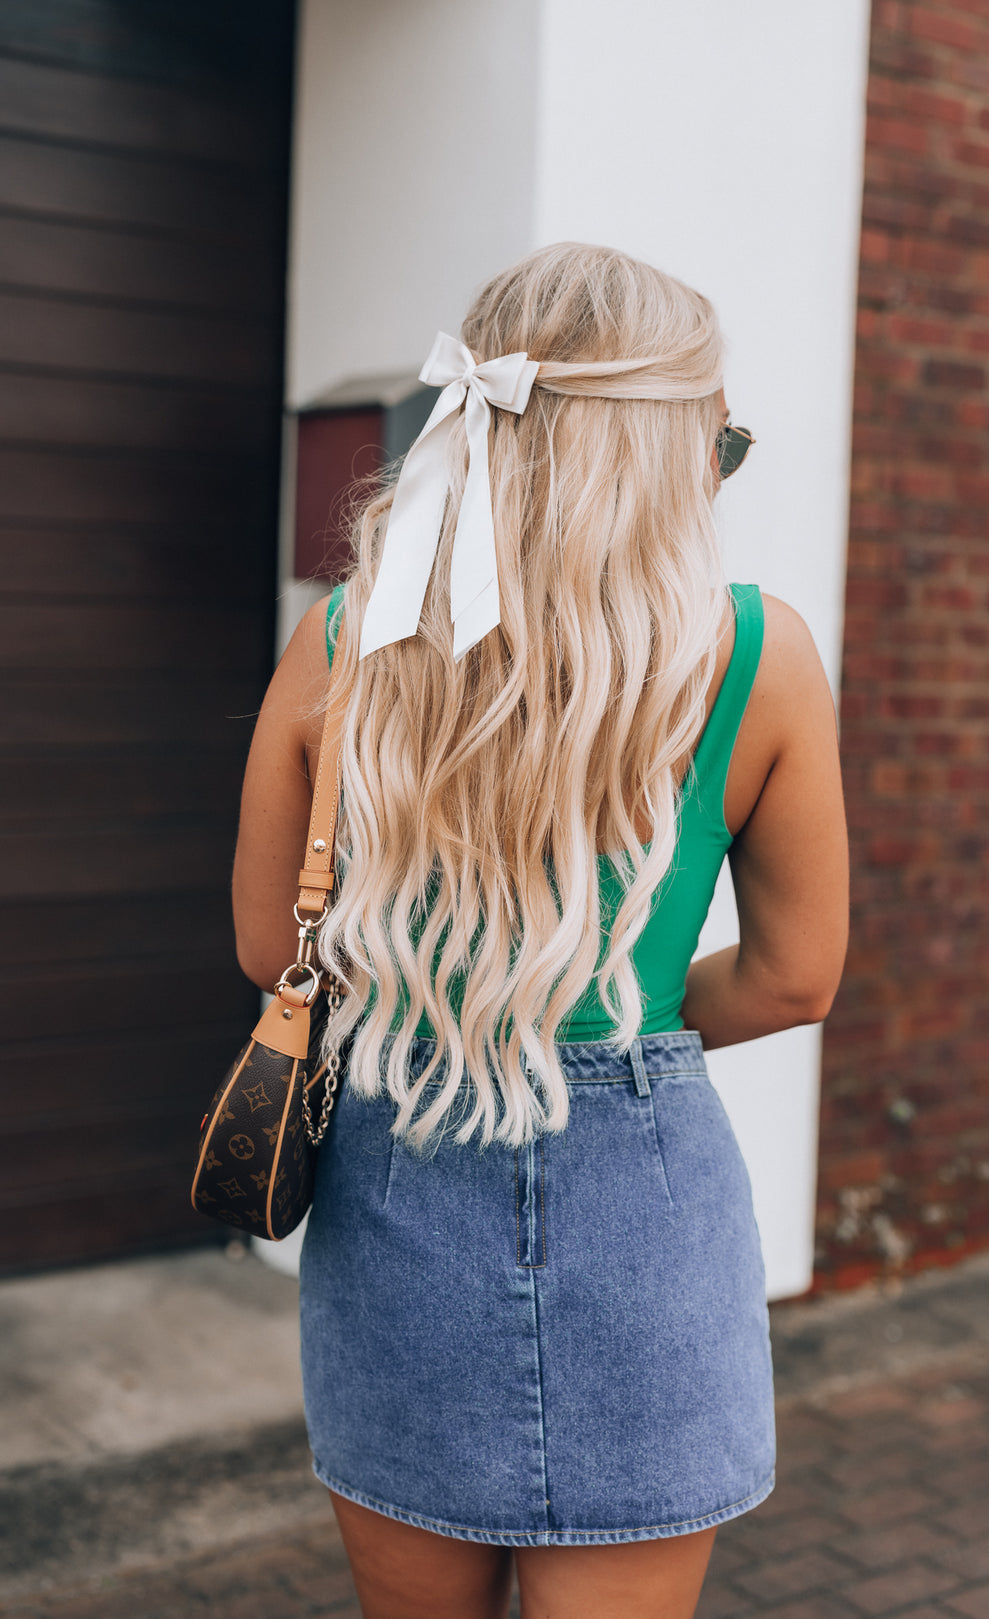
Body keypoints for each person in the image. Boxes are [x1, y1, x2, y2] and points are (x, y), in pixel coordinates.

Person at [231, 242, 849, 1619]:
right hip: (649, 1218)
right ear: (662, 459)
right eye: (721, 448)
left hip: (396, 1187)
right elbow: (796, 978)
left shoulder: (342, 644)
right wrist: (617, 1021)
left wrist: (457, 1004)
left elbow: (272, 951)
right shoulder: (759, 658)